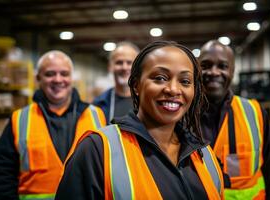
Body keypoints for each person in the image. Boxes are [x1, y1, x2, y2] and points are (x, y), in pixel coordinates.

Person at [55, 41, 224, 200]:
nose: (173, 89)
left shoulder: (205, 155)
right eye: (160, 78)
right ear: (136, 85)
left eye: (185, 81)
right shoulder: (96, 149)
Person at [0, 50, 106, 200]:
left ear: (71, 78)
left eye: (64, 74)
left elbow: (106, 168)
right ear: (38, 78)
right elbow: (2, 171)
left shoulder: (97, 116)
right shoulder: (20, 119)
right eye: (50, 74)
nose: (58, 79)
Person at [199, 40, 270, 199]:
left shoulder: (255, 113)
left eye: (222, 66)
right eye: (205, 65)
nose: (214, 72)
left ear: (232, 71)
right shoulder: (180, 116)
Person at [93, 41, 139, 123]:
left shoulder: (148, 100)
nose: (124, 67)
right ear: (110, 67)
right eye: (119, 62)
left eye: (129, 63)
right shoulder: (99, 104)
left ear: (138, 67)